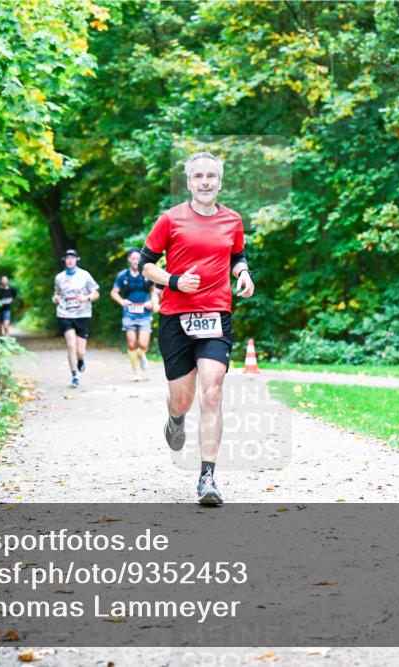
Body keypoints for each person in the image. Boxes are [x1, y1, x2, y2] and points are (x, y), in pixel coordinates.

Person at [139, 152, 254, 505]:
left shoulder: (232, 220)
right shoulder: (170, 220)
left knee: (212, 392)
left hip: (216, 314)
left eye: (211, 176)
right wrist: (173, 280)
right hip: (176, 318)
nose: (205, 181)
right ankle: (175, 419)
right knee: (183, 399)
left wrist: (243, 273)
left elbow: (236, 255)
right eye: (198, 176)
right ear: (189, 183)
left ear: (219, 182)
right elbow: (145, 265)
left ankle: (207, 477)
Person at [111, 248, 160, 381]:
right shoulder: (123, 275)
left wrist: (151, 302)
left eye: (138, 258)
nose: (135, 260)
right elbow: (114, 292)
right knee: (132, 344)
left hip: (144, 313)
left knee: (143, 345)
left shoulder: (147, 274)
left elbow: (155, 291)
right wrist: (122, 301)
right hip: (129, 314)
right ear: (129, 259)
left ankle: (142, 355)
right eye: (133, 258)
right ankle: (136, 373)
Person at [53, 249, 99, 388]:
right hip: (65, 314)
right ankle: (74, 375)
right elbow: (56, 294)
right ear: (64, 260)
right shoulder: (59, 278)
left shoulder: (85, 275)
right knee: (70, 345)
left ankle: (81, 359)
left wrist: (87, 298)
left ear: (76, 259)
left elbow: (96, 293)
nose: (70, 260)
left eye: (72, 257)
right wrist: (55, 298)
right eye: (67, 258)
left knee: (80, 350)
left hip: (82, 314)